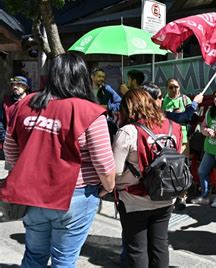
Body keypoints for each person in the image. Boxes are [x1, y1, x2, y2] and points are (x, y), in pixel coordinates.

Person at [0, 53, 116, 267]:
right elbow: (104, 163)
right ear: (82, 77)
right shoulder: (90, 111)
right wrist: (107, 188)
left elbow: (10, 150)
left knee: (34, 256)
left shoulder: (24, 104)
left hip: (31, 194)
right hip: (75, 195)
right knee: (64, 260)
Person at [112, 88, 182, 268]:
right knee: (160, 246)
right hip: (165, 196)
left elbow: (115, 170)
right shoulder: (173, 127)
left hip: (134, 199)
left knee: (137, 250)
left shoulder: (128, 131)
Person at [161, 78, 192, 209]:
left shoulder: (186, 100)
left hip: (183, 139)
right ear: (167, 88)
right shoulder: (163, 101)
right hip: (169, 139)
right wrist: (174, 115)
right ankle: (171, 194)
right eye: (171, 87)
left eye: (176, 87)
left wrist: (172, 115)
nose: (174, 90)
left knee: (183, 167)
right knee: (170, 168)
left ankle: (182, 197)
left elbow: (188, 117)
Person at [1, 76, 30, 168]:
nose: (15, 87)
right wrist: (4, 137)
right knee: (12, 172)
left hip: (27, 143)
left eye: (18, 85)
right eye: (13, 85)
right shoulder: (6, 102)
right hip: (11, 143)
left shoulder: (32, 101)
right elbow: (1, 121)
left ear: (25, 87)